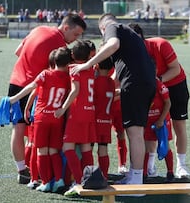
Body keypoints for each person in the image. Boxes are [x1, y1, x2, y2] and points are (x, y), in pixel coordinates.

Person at [70, 13, 156, 187]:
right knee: (136, 132)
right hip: (145, 82)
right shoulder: (128, 34)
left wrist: (86, 65)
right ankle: (134, 175)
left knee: (135, 133)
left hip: (136, 83)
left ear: (103, 28)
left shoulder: (112, 27)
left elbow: (113, 44)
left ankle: (136, 180)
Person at [7, 13, 86, 184]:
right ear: (66, 28)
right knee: (35, 132)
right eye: (76, 34)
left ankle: (22, 169)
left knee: (18, 128)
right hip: (34, 86)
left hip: (15, 81)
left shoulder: (38, 29)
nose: (75, 39)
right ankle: (47, 172)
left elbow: (18, 52)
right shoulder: (59, 43)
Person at [129, 23, 190, 179]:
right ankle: (149, 166)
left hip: (176, 84)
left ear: (141, 37)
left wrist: (157, 81)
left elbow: (175, 69)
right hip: (152, 88)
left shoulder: (160, 44)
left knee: (178, 124)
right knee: (150, 126)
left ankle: (181, 166)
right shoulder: (131, 52)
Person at [8, 47, 73, 192]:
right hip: (57, 117)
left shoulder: (45, 74)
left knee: (41, 151)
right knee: (54, 151)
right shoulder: (69, 78)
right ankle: (59, 180)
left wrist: (18, 101)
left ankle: (45, 182)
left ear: (53, 61)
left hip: (42, 118)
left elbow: (32, 88)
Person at [54, 40, 96, 197]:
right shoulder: (91, 68)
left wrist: (63, 108)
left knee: (68, 147)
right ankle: (91, 180)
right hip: (90, 111)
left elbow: (75, 90)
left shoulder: (73, 69)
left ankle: (78, 182)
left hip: (77, 113)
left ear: (72, 55)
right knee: (86, 148)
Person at [143, 77, 174, 183]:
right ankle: (144, 174)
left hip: (162, 120)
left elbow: (168, 103)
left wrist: (161, 120)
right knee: (146, 147)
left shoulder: (160, 85)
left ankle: (170, 173)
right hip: (148, 121)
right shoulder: (142, 83)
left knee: (165, 146)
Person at [93, 56, 115, 180]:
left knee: (88, 148)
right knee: (103, 148)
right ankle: (104, 175)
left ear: (97, 65)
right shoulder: (111, 82)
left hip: (95, 120)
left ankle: (88, 175)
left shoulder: (95, 82)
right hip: (106, 121)